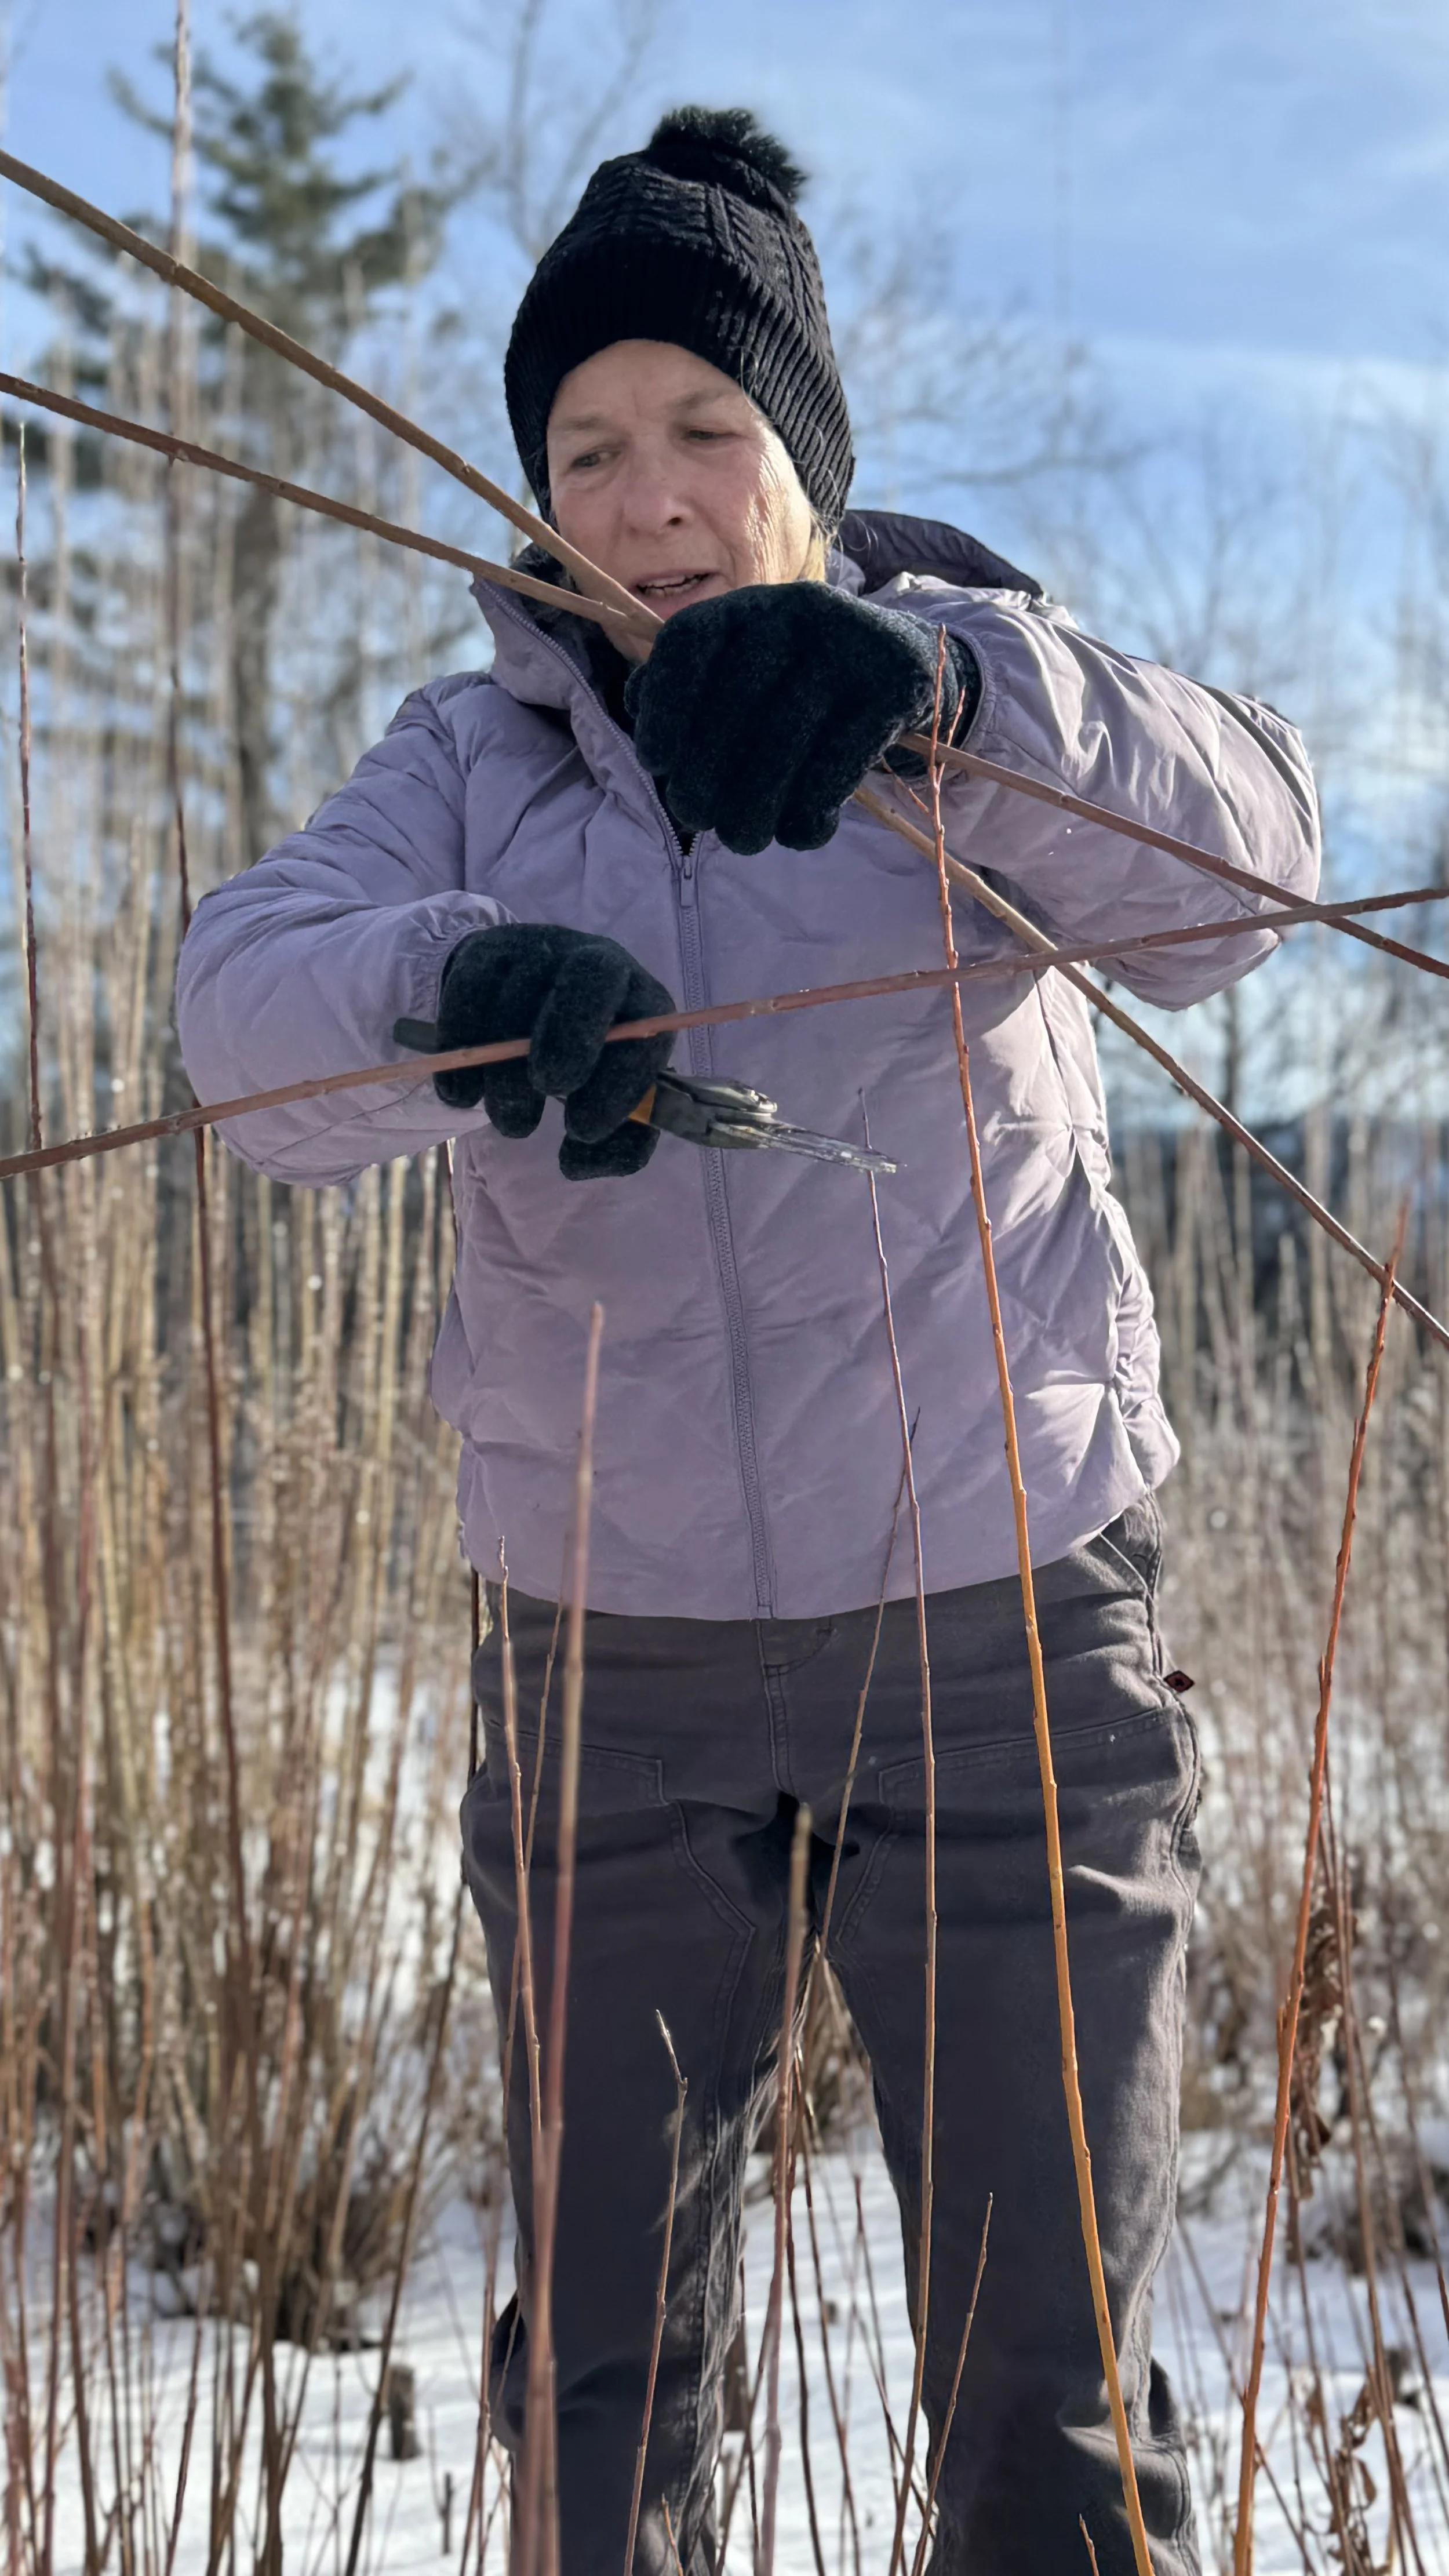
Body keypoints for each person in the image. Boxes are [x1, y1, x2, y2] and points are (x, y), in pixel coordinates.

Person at [177, 104, 1319, 2576]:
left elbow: (1252, 869)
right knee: (600, 2398)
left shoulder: (965, 704)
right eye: (588, 447)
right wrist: (450, 980)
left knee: (1048, 2399)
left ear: (806, 463)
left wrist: (940, 702)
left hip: (1002, 1629)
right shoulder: (466, 763)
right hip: (611, 1665)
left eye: (704, 430)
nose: (651, 492)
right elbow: (243, 1030)